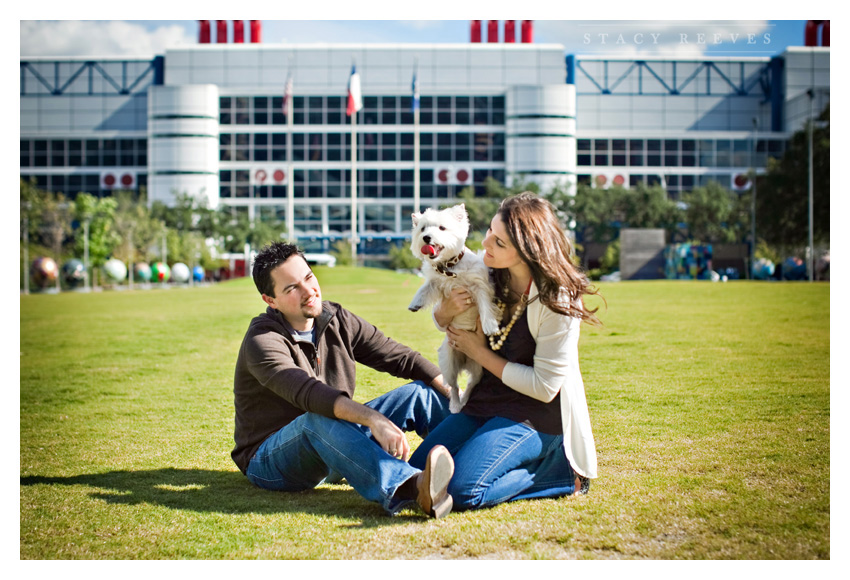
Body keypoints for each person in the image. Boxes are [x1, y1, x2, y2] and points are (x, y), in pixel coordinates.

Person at [409, 192, 601, 511]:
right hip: (486, 400)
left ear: (526, 252)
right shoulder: (489, 273)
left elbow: (545, 387)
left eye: (499, 242)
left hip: (536, 415)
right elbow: (449, 308)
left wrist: (478, 352)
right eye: (489, 231)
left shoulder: (558, 300)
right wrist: (441, 315)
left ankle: (561, 474)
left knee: (463, 491)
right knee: (416, 473)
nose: (485, 244)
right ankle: (480, 449)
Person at [232, 242, 454, 518]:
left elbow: (400, 357)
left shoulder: (335, 319)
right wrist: (374, 419)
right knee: (315, 418)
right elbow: (310, 394)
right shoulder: (262, 341)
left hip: (337, 443)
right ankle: (413, 486)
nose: (308, 291)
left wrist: (452, 389)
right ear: (270, 300)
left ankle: (472, 456)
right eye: (291, 289)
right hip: (272, 459)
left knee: (421, 394)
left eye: (309, 277)